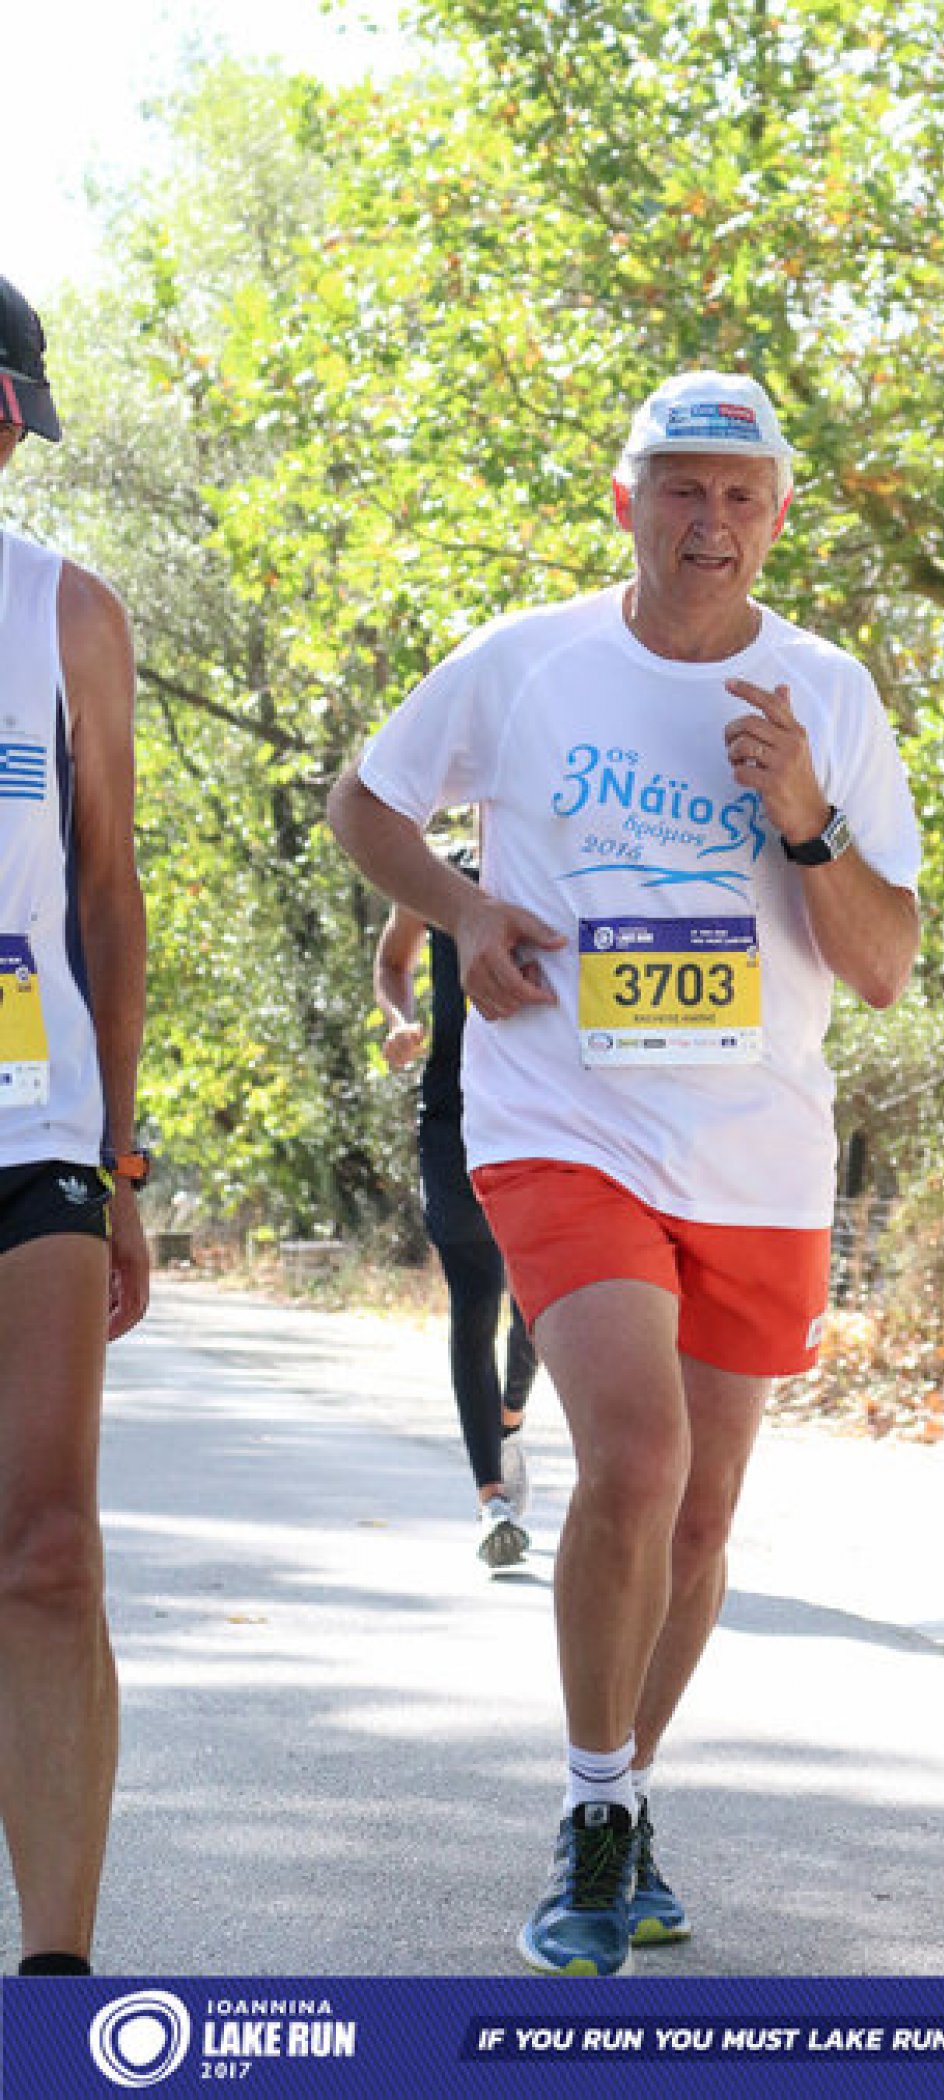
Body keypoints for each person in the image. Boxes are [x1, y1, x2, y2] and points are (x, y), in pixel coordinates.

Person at [328, 369, 921, 1975]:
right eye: (678, 487)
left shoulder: (829, 695)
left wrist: (805, 817)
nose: (707, 520)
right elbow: (364, 804)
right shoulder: (524, 662)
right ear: (625, 503)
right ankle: (592, 1819)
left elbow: (881, 966)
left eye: (738, 494)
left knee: (704, 1518)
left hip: (755, 1149)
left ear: (776, 517)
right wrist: (462, 911)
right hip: (562, 1117)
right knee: (638, 1459)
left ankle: (629, 1792)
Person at [0, 274, 150, 1975]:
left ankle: (56, 1989)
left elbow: (107, 895)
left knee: (47, 1552)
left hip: (29, 1117)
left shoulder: (66, 614)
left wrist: (122, 1164)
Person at [373, 845, 538, 1571]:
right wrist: (399, 1020)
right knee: (475, 1297)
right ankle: (492, 1500)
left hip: (546, 1116)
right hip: (453, 1117)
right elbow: (393, 962)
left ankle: (509, 1416)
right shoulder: (437, 874)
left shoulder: (557, 862)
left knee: (536, 1305)